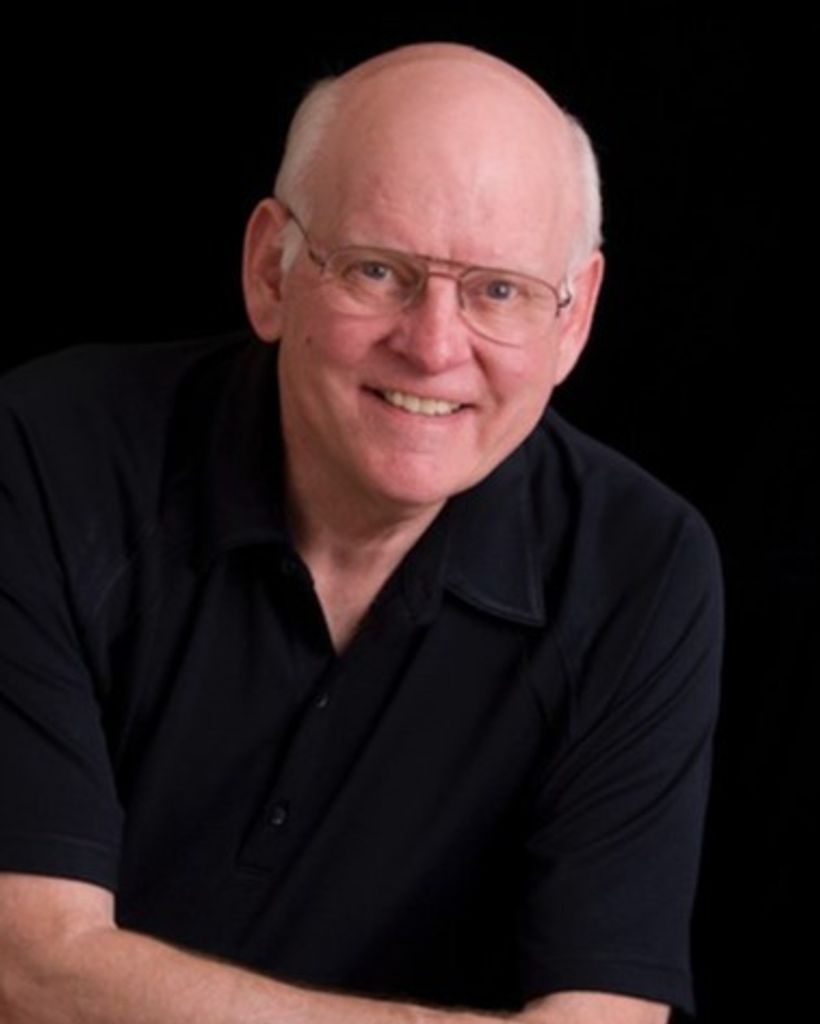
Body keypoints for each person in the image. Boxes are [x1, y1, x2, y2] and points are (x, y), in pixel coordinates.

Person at [0, 43, 722, 1024]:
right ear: (271, 269)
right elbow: (28, 968)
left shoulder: (642, 567)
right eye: (379, 271)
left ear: (573, 318)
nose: (433, 346)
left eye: (498, 291)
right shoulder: (46, 456)